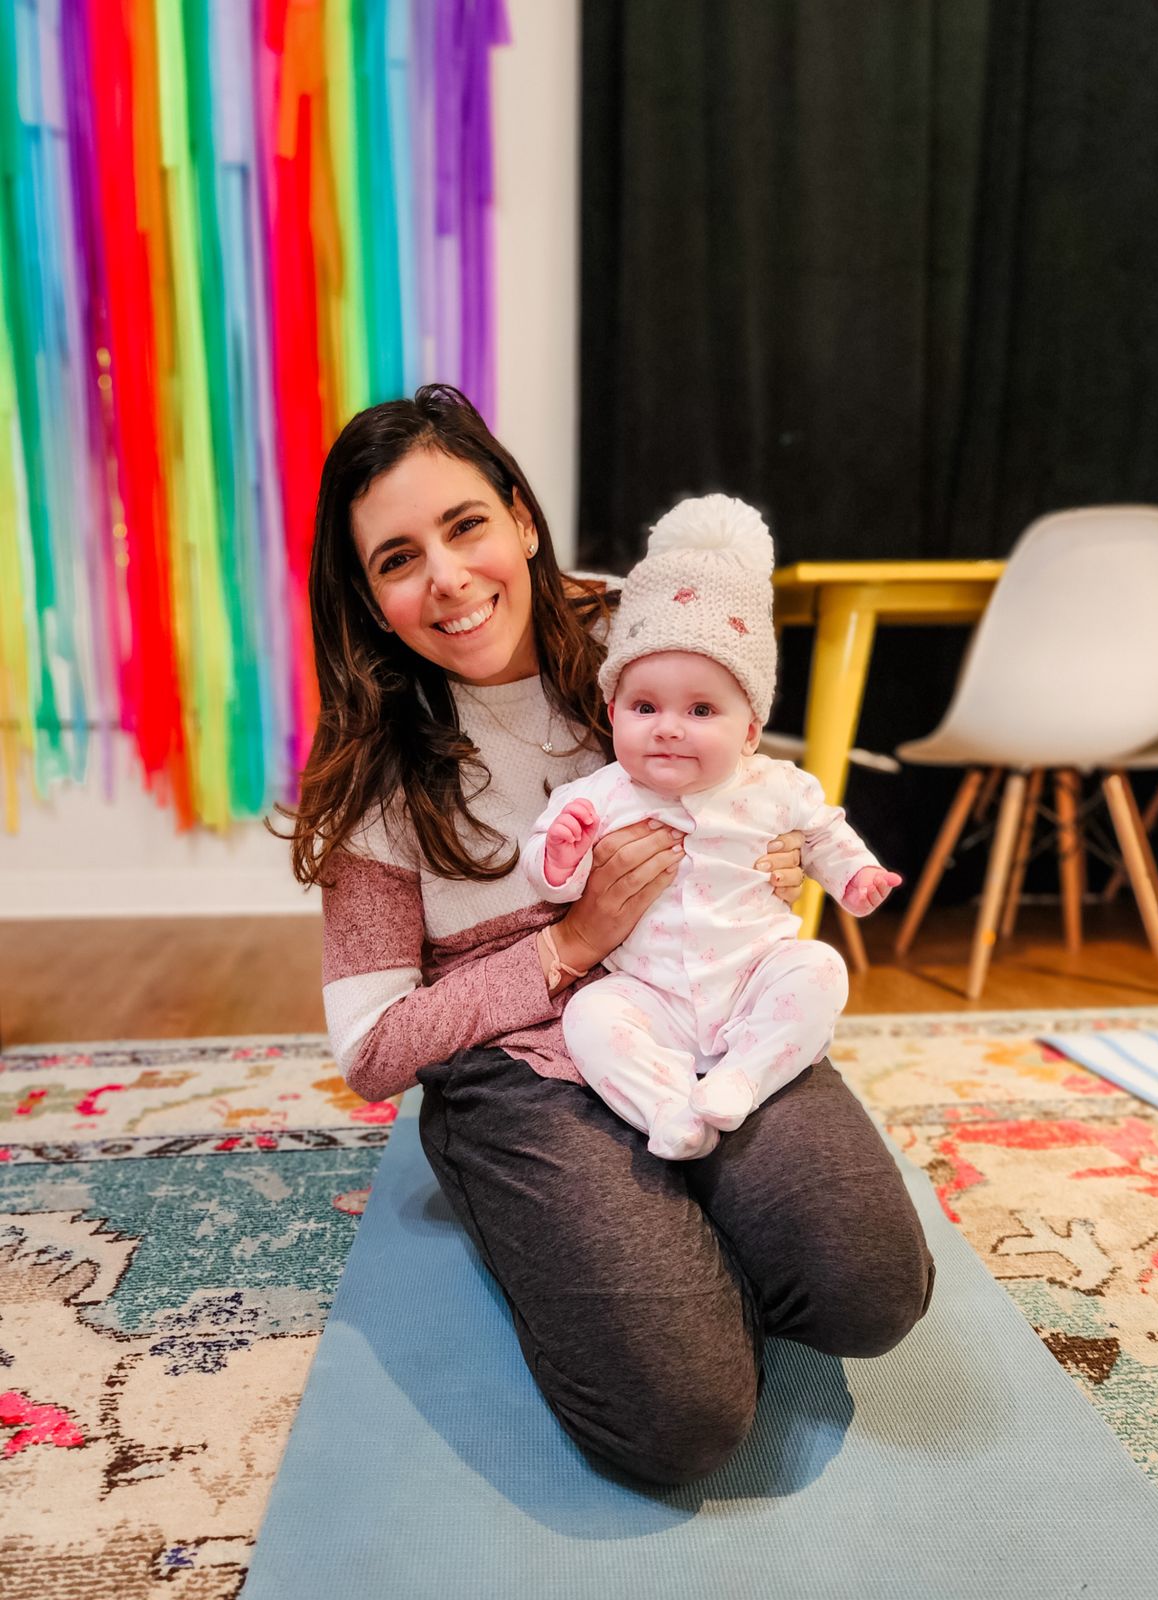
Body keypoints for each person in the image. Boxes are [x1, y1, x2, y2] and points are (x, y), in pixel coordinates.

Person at [285, 384, 934, 1487]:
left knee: (869, 1290)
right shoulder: (376, 781)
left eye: (465, 524)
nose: (445, 577)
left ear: (522, 519)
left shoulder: (639, 639)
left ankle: (685, 1213)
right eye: (396, 559)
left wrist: (772, 851)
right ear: (369, 596)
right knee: (681, 1424)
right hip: (521, 1066)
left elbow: (755, 776)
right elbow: (372, 1053)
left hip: (703, 1017)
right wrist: (565, 945)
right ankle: (547, 1207)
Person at [521, 495, 901, 1161]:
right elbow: (552, 885)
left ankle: (743, 1078)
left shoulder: (777, 785)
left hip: (752, 978)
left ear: (750, 729)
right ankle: (667, 1109)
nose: (668, 726)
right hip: (651, 992)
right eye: (645, 706)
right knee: (590, 1016)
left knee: (818, 967)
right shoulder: (600, 794)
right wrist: (561, 853)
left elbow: (823, 834)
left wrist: (856, 875)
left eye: (701, 709)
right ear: (613, 713)